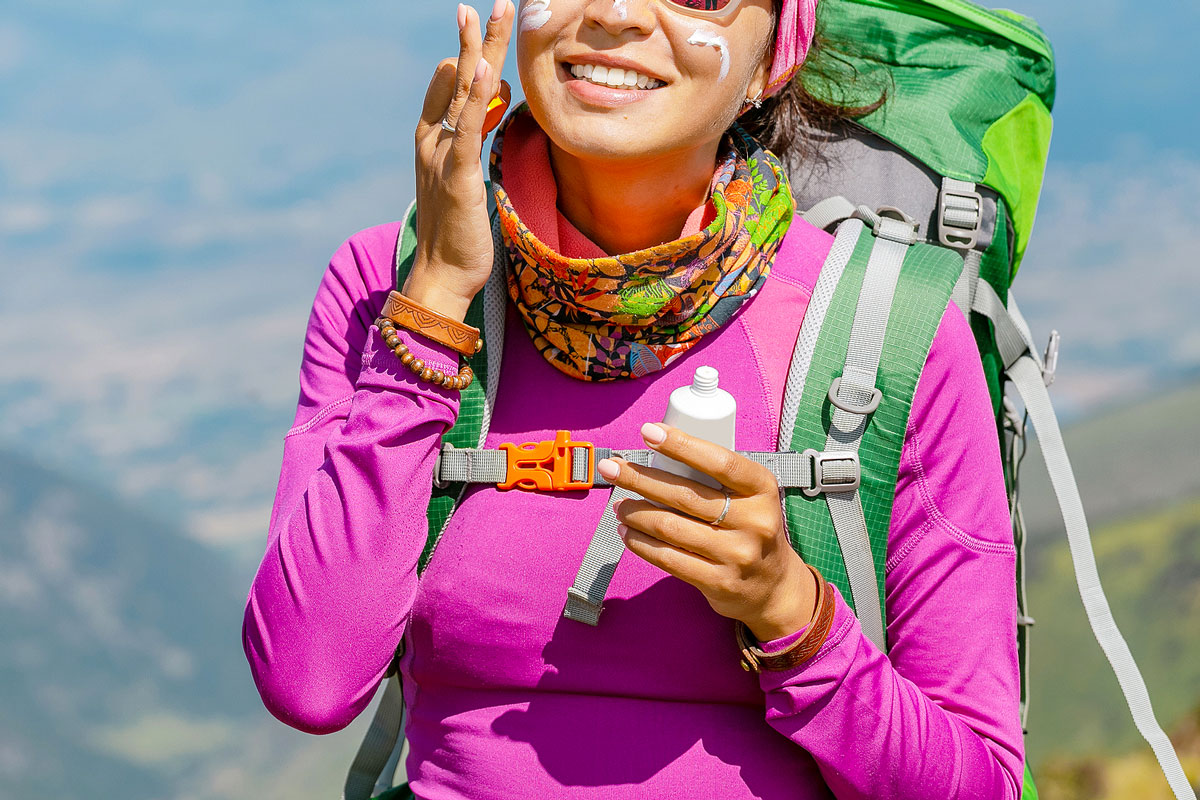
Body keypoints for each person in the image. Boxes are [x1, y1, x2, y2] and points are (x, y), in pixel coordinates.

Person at [241, 0, 1025, 797]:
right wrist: (438, 297)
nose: (616, 13)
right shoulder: (394, 283)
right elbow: (310, 682)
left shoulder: (887, 334)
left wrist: (792, 612)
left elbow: (976, 783)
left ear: (770, 62)